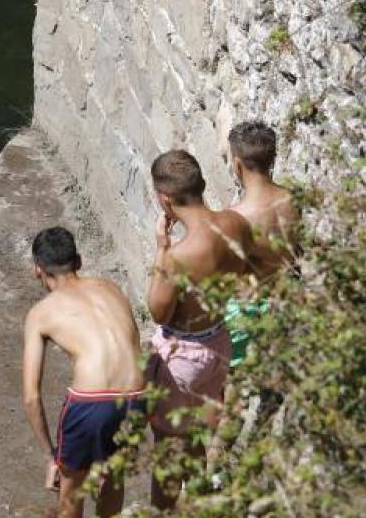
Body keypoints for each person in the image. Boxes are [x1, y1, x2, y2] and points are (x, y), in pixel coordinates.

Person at [145, 150, 255, 510]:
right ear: (201, 184)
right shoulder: (235, 223)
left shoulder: (179, 255)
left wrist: (162, 248)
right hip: (219, 341)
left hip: (183, 357)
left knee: (166, 454)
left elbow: (159, 311)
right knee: (195, 435)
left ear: (165, 199)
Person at [21, 227, 146, 518]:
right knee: (113, 477)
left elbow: (30, 396)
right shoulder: (110, 287)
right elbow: (134, 343)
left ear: (37, 271)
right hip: (137, 395)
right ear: (78, 261)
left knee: (71, 491)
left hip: (92, 402)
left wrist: (52, 456)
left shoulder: (40, 313)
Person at [224, 120, 300, 368]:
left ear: (237, 164)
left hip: (247, 311)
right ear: (273, 159)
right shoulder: (293, 200)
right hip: (284, 300)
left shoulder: (234, 217)